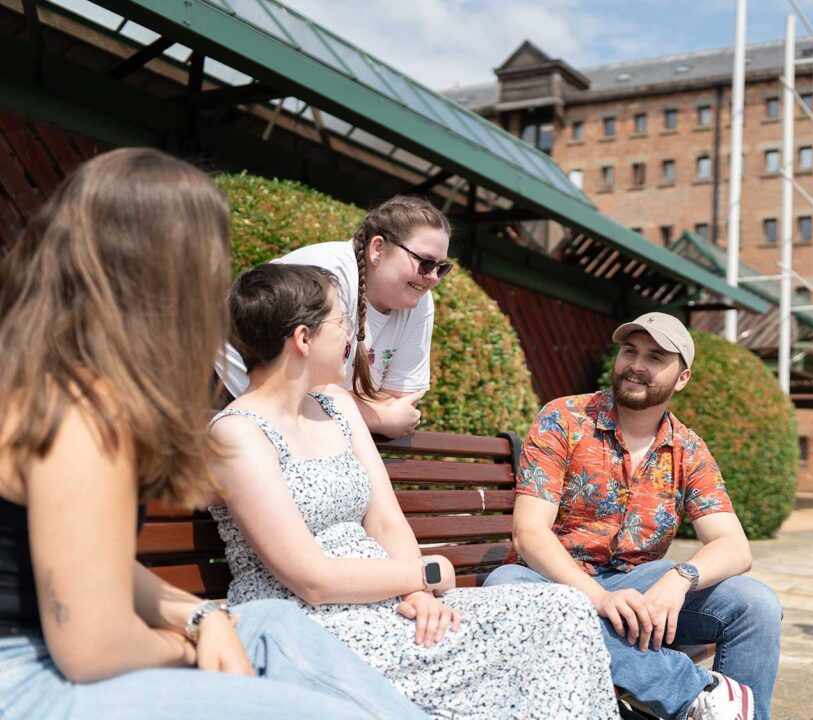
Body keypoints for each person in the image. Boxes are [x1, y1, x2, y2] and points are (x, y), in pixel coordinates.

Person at [0, 148, 430, 719]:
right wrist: (192, 641)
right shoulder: (80, 408)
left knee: (272, 626)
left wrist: (201, 615)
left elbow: (79, 560)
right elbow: (91, 649)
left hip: (51, 650)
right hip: (24, 674)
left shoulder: (50, 375)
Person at [209, 263, 621, 719]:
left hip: (391, 602)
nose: (356, 336)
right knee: (509, 640)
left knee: (561, 606)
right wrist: (425, 574)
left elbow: (385, 519)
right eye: (344, 322)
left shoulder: (337, 405)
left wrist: (420, 597)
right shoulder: (239, 435)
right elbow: (311, 579)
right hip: (313, 626)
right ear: (304, 339)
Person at [486, 312, 782, 720]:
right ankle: (700, 700)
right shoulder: (565, 418)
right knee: (505, 585)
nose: (636, 366)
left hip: (638, 588)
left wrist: (679, 581)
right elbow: (529, 534)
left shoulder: (688, 450)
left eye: (655, 357)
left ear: (682, 378)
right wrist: (600, 599)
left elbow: (734, 547)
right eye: (630, 351)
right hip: (551, 578)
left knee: (755, 604)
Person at [217, 195, 452, 438]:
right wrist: (378, 418)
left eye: (442, 268)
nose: (433, 277)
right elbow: (301, 383)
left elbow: (400, 402)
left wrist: (354, 407)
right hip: (222, 393)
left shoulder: (420, 303)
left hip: (311, 422)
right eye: (425, 263)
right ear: (378, 249)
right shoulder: (325, 275)